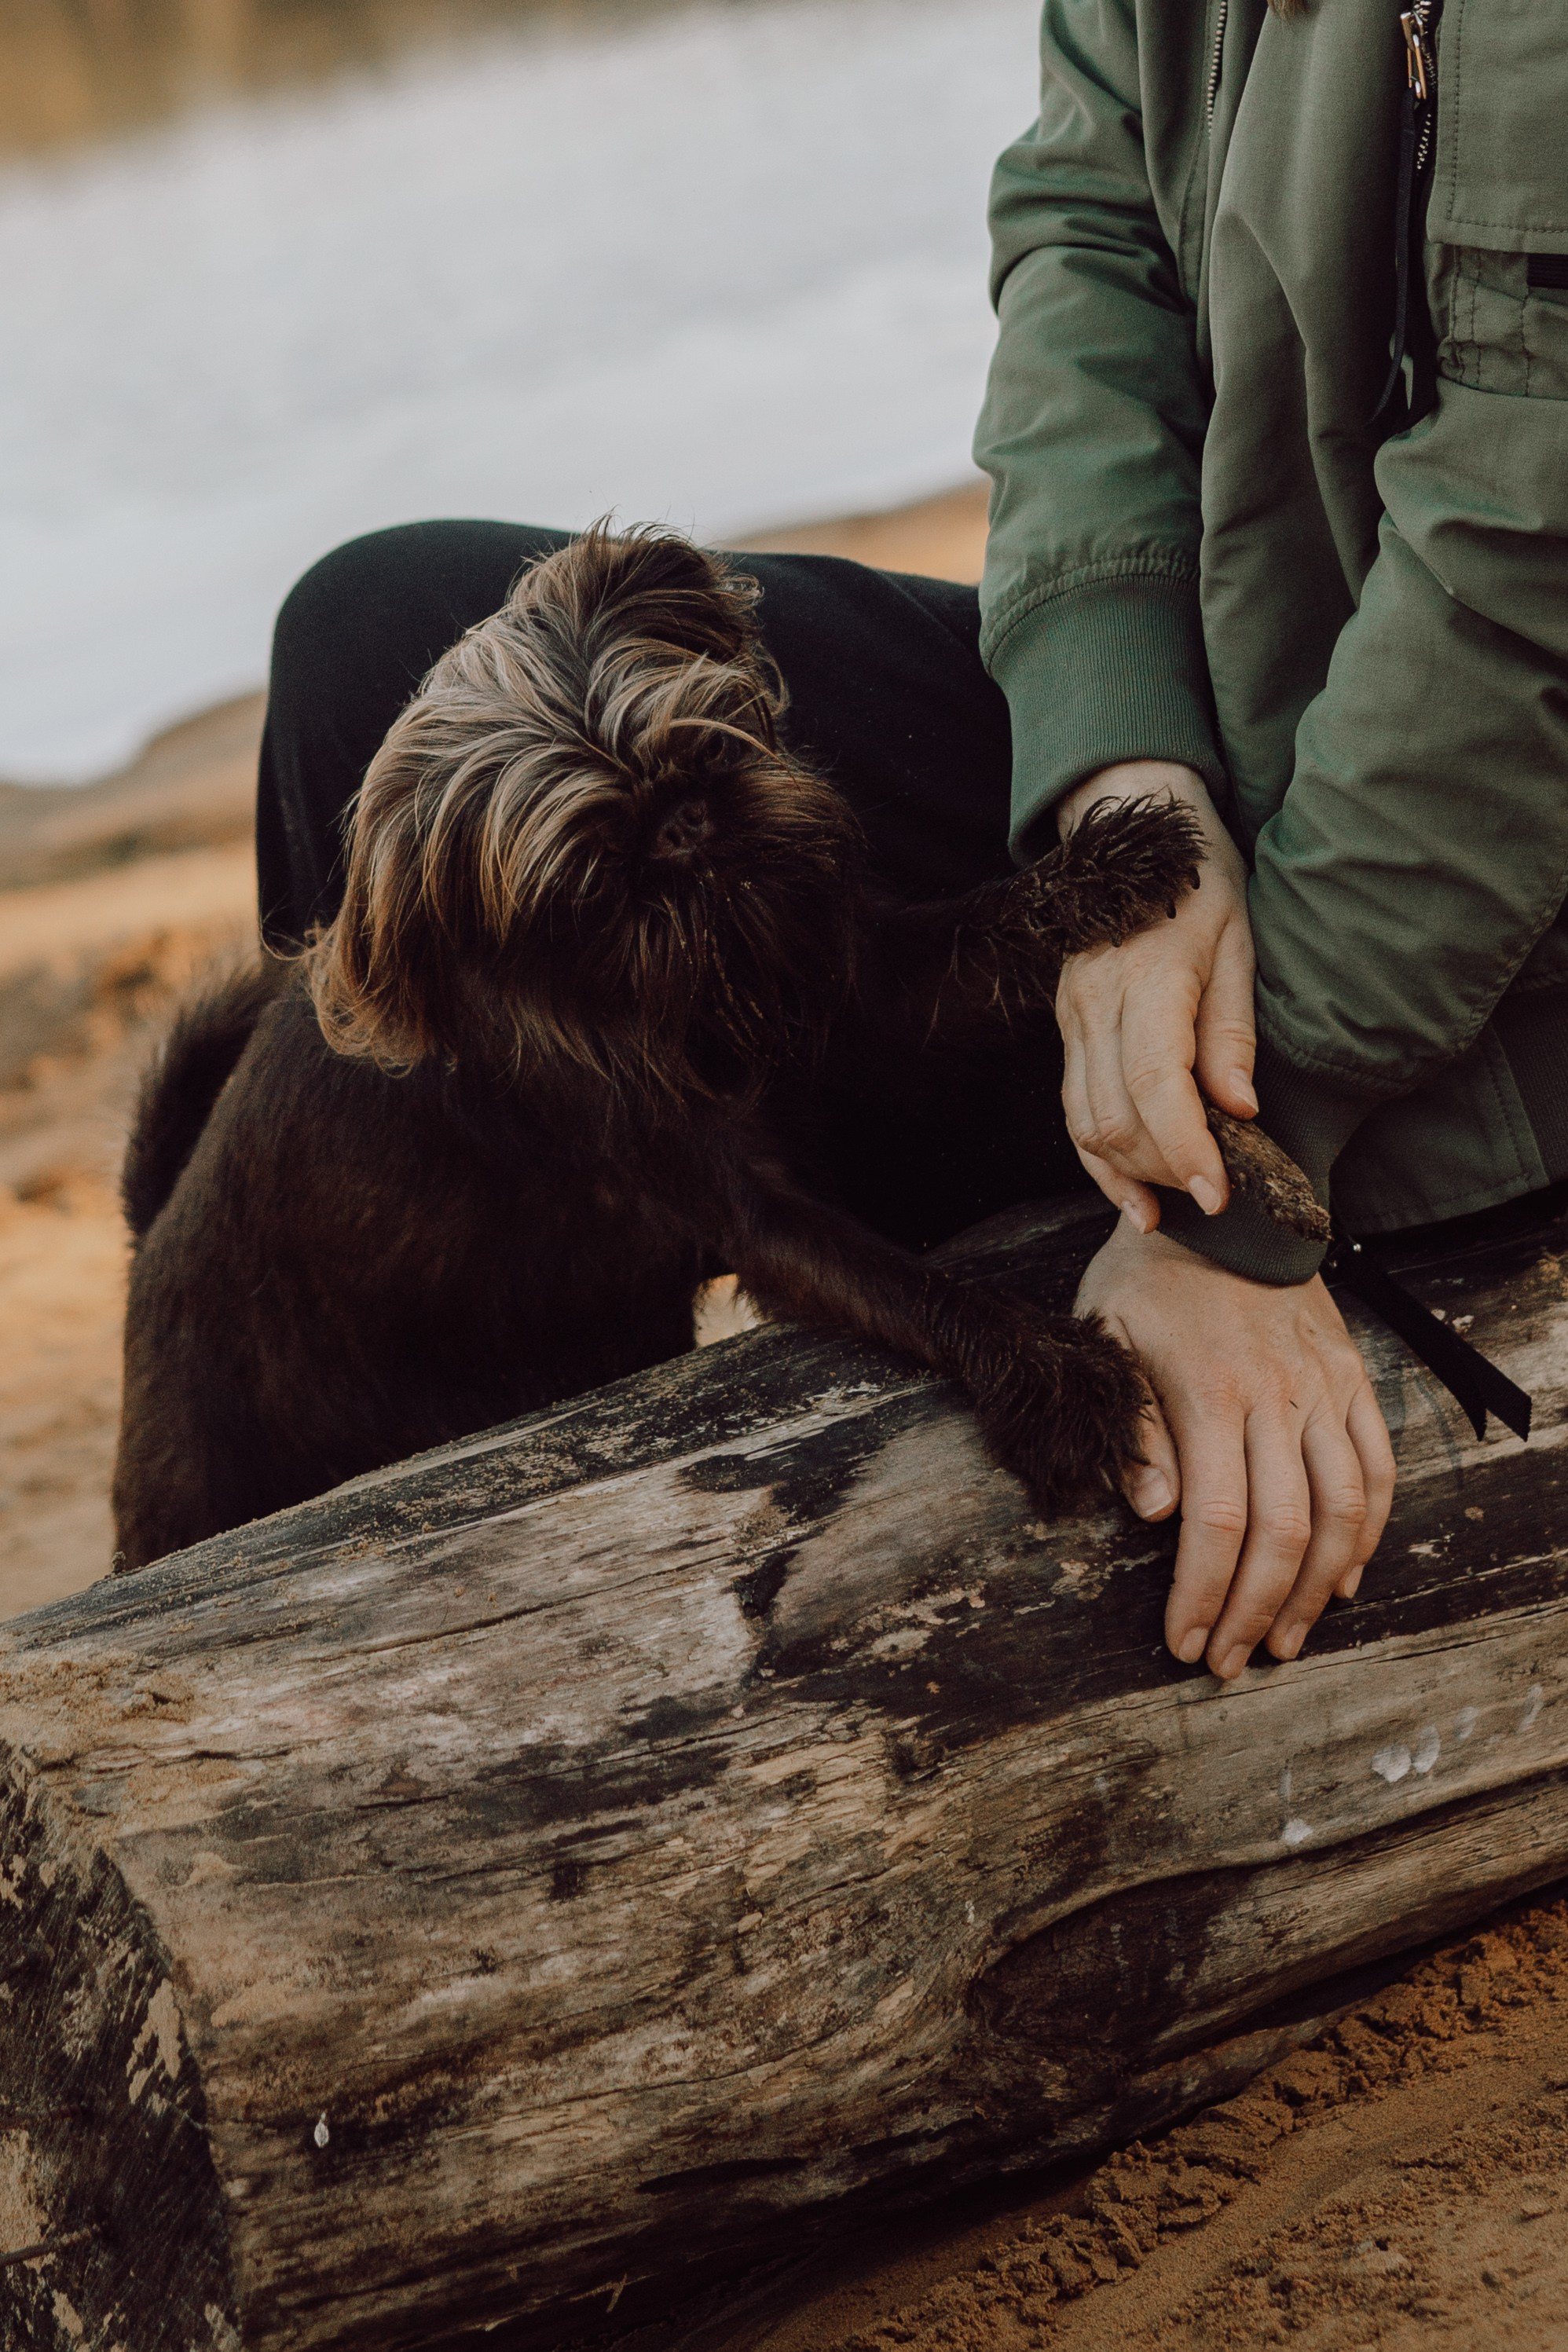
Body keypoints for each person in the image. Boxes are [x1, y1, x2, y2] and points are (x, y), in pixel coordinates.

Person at [255, 0, 1565, 1684]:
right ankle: (359, 1530)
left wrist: (1232, 1174)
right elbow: (1085, 264)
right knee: (367, 643)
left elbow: (1522, 599)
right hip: (1249, 691)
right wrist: (1123, 777)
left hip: (1489, 894)